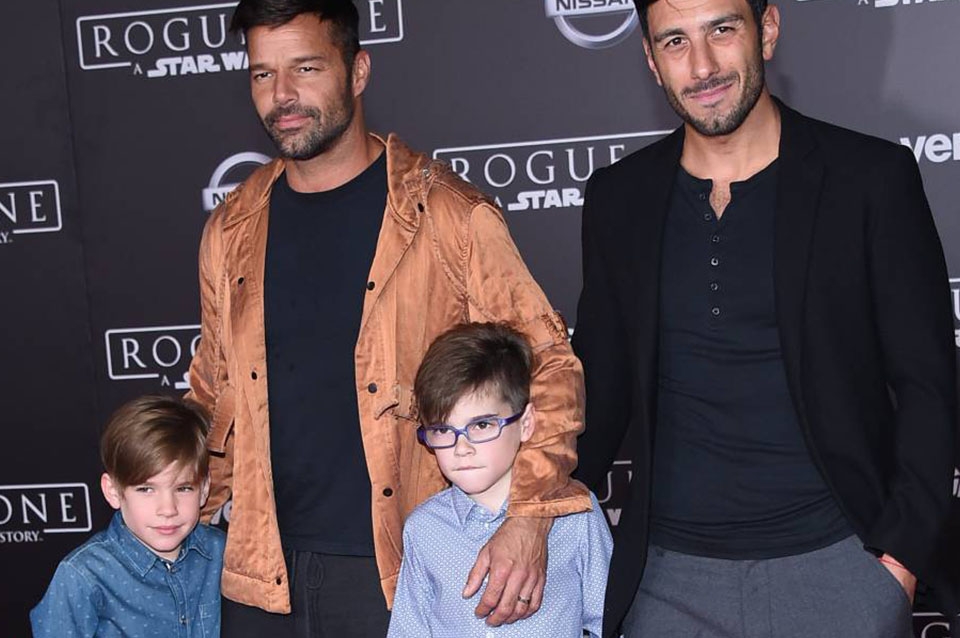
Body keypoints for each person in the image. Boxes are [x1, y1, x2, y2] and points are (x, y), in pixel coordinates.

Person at [185, 1, 591, 635]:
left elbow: (550, 368)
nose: (282, 94)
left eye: (306, 68)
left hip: (406, 570)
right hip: (260, 574)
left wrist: (529, 516)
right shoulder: (231, 228)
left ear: (358, 71)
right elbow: (212, 394)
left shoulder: (449, 216)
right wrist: (167, 520)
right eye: (263, 74)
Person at [570, 0, 960, 635]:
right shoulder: (620, 197)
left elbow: (928, 384)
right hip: (665, 582)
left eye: (722, 30)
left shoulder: (868, 178)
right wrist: (533, 516)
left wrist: (898, 560)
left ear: (767, 30)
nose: (702, 66)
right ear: (651, 59)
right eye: (675, 42)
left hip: (840, 568)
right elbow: (597, 395)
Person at [387, 322, 612, 637]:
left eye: (481, 425)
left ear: (526, 423)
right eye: (442, 430)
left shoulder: (576, 514)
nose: (461, 448)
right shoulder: (423, 529)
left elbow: (608, 621)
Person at [30, 395, 225, 638]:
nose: (168, 509)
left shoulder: (224, 554)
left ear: (204, 489)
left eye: (183, 488)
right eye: (146, 489)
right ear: (113, 491)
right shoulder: (82, 575)